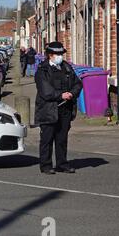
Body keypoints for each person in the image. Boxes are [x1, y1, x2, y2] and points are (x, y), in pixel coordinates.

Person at [34, 42, 83, 175]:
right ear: (50, 55)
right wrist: (61, 95)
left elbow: (78, 83)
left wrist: (72, 93)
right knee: (47, 139)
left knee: (62, 139)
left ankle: (62, 163)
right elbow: (45, 91)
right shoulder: (42, 70)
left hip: (65, 109)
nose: (61, 56)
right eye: (58, 54)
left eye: (62, 54)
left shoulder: (67, 67)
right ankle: (46, 165)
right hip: (48, 109)